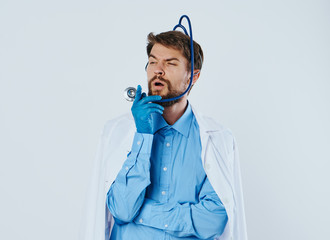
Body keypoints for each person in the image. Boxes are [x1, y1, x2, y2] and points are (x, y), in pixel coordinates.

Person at [80, 31, 247, 240]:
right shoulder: (117, 132)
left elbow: (213, 221)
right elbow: (122, 209)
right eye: (152, 62)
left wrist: (141, 212)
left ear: (193, 75)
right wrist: (143, 136)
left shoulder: (218, 140)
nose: (158, 71)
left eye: (170, 63)